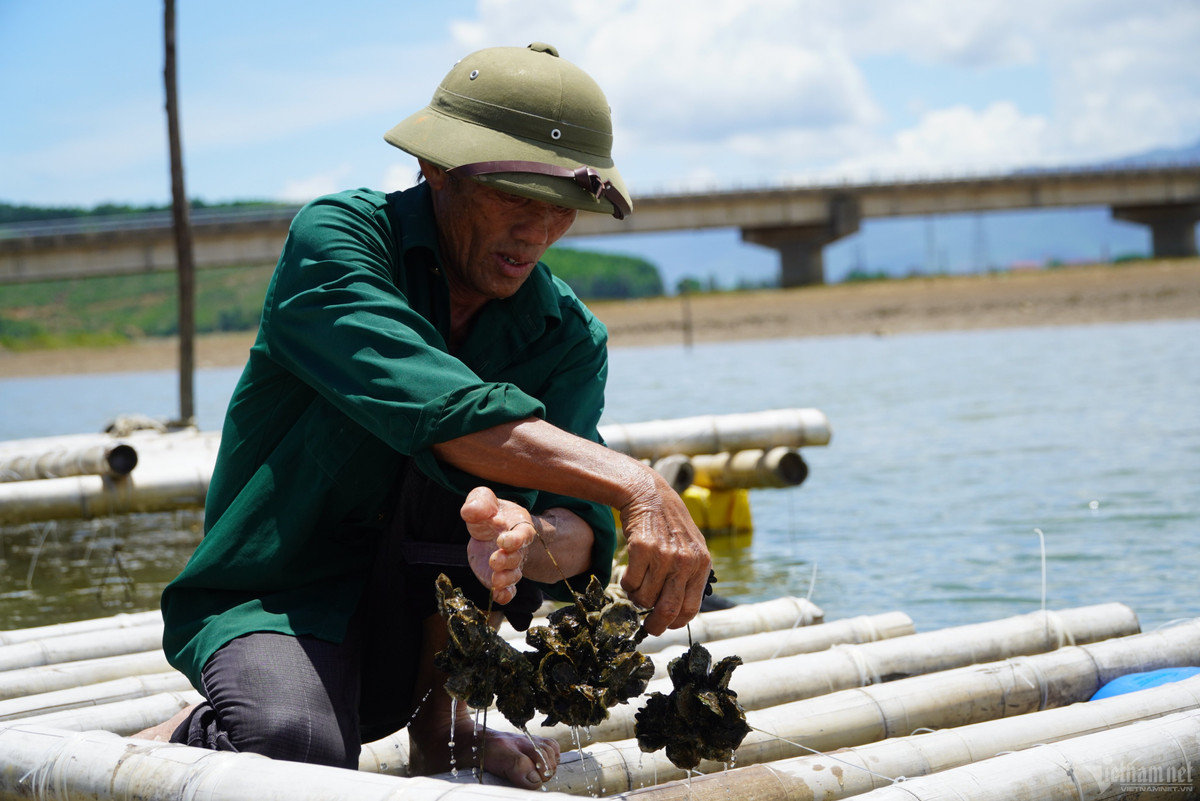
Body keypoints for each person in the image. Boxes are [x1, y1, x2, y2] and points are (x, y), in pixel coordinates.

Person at [142, 43, 712, 788]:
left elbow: (578, 535)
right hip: (276, 600)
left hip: (412, 643)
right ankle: (188, 730)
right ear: (438, 169)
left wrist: (525, 539)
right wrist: (641, 484)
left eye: (561, 210)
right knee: (292, 746)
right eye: (515, 198)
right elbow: (446, 411)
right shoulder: (339, 243)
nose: (537, 233)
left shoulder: (566, 335)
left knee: (497, 489)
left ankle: (447, 724)